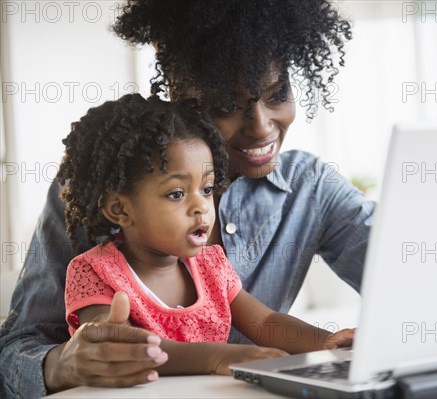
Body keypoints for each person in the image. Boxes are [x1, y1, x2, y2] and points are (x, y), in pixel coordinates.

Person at [0, 0, 375, 396]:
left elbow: (266, 322)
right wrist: (62, 364)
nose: (262, 126)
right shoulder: (91, 213)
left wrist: (326, 341)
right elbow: (16, 355)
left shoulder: (308, 188)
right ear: (182, 94)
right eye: (229, 106)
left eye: (278, 93)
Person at [57, 93, 353, 379]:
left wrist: (326, 343)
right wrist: (217, 357)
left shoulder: (211, 266)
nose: (201, 206)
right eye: (176, 193)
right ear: (120, 209)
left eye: (208, 189)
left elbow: (265, 322)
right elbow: (119, 347)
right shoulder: (94, 271)